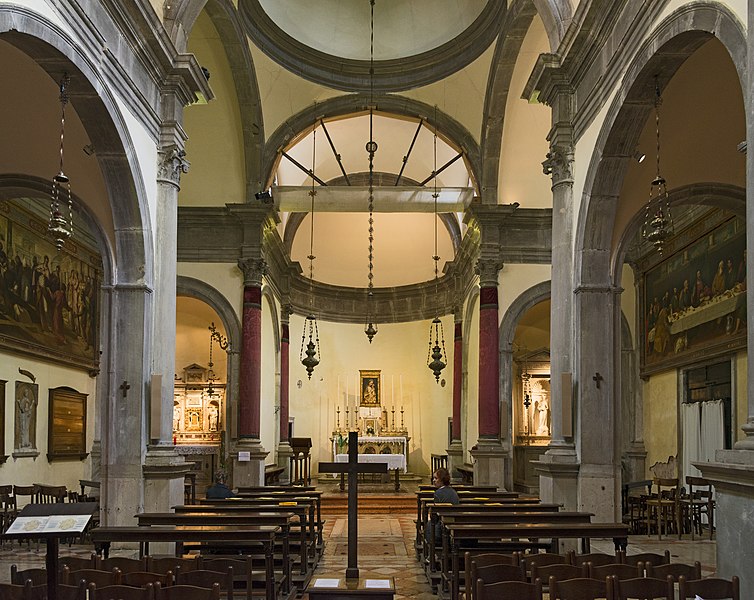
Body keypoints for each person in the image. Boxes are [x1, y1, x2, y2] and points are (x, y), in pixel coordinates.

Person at [427, 467, 459, 545]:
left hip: (443, 527)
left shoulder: (438, 493)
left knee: (429, 525)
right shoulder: (453, 491)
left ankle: (430, 551)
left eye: (436, 478)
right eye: (433, 478)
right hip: (455, 523)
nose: (433, 480)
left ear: (442, 480)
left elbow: (434, 517)